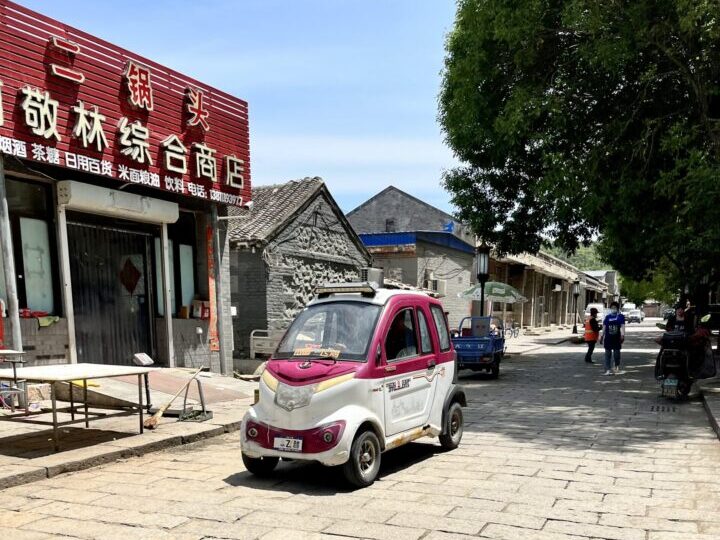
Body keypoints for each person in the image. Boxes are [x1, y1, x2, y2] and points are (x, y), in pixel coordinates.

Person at [600, 301, 625, 375]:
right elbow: (604, 327)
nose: (613, 309)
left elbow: (622, 326)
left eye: (615, 308)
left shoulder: (620, 317)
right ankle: (608, 369)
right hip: (608, 339)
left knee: (616, 355)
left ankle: (616, 365)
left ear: (617, 309)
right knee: (607, 355)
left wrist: (623, 335)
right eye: (612, 308)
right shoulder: (607, 317)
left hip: (617, 339)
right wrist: (601, 336)